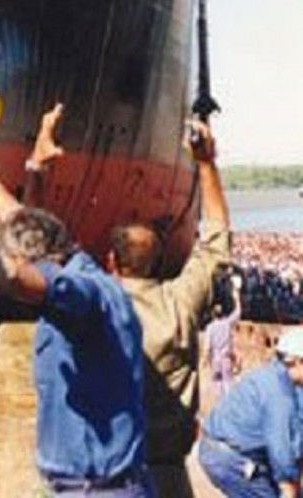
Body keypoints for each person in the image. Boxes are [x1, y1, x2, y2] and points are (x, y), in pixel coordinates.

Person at [0, 107, 155, 497]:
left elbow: (44, 285)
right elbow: (22, 220)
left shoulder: (87, 296)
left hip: (97, 490)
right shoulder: (69, 255)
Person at [105, 119, 232, 498]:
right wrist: (206, 164)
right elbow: (216, 241)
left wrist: (37, 170)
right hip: (168, 471)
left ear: (111, 261)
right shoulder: (180, 301)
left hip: (111, 470)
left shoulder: (95, 309)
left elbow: (32, 262)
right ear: (160, 262)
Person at [198, 327, 303, 497]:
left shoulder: (281, 378)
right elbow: (281, 448)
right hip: (230, 458)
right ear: (297, 362)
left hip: (232, 452)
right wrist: (289, 485)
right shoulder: (278, 394)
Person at [207, 282, 242, 399]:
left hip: (215, 359)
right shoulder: (227, 323)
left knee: (218, 385)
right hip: (226, 358)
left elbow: (207, 347)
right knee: (229, 383)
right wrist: (237, 297)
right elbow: (238, 312)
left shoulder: (210, 327)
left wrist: (208, 361)